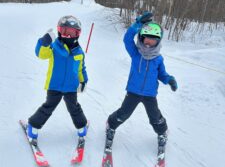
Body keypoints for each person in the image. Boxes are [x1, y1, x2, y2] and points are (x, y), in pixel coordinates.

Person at [105, 11, 178, 156]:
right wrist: (137, 24)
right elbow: (127, 39)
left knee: (155, 117)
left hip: (150, 95)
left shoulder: (158, 59)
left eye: (153, 40)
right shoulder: (136, 53)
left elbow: (162, 74)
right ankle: (111, 125)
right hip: (133, 92)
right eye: (146, 39)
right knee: (123, 113)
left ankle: (162, 132)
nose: (149, 42)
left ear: (158, 41)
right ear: (141, 38)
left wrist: (169, 79)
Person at [26, 15, 88, 142]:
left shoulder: (79, 52)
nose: (68, 36)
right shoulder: (54, 47)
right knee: (49, 106)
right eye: (65, 32)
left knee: (74, 107)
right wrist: (44, 42)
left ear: (77, 34)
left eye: (71, 33)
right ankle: (33, 125)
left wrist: (83, 81)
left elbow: (81, 69)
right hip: (55, 85)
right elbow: (41, 54)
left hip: (71, 87)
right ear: (59, 31)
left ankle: (81, 126)